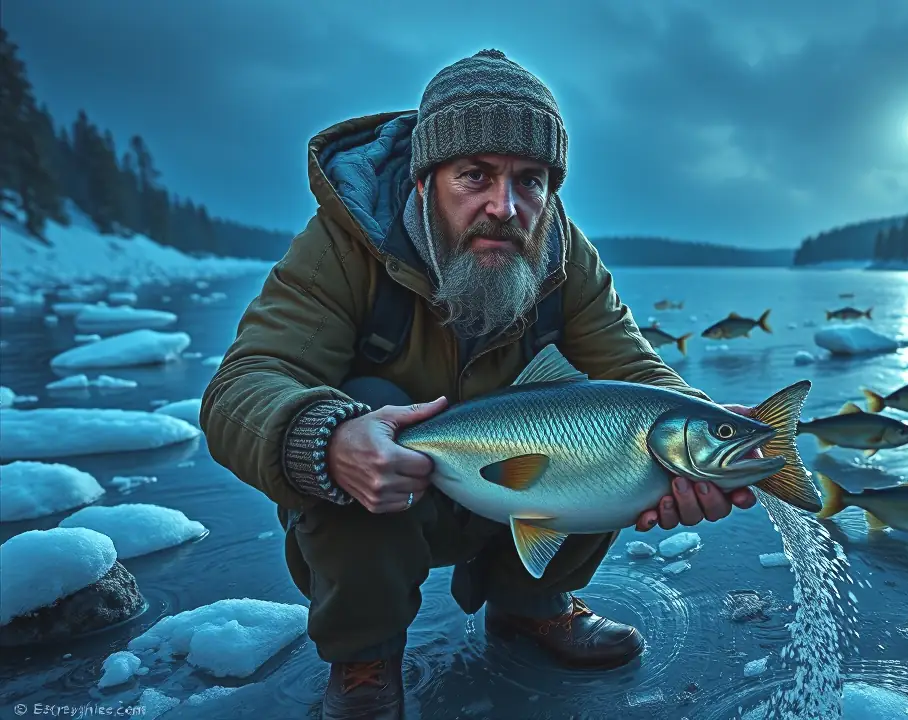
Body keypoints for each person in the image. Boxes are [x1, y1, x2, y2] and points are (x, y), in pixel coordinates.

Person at [201, 48, 760, 720]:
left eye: (530, 181)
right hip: (389, 493)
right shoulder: (341, 247)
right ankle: (364, 656)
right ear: (424, 180)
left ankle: (530, 606)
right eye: (476, 175)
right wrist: (325, 440)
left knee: (612, 420)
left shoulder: (564, 257)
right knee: (364, 412)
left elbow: (633, 369)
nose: (506, 205)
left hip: (520, 486)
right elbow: (245, 384)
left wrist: (698, 428)